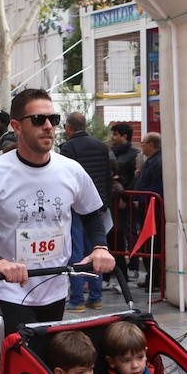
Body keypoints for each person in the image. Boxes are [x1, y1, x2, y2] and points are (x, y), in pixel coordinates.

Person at [0, 88, 116, 334]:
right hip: (10, 290)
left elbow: (92, 213)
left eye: (54, 119)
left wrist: (100, 247)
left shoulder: (71, 170)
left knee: (49, 363)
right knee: (24, 363)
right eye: (39, 120)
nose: (49, 126)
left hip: (56, 286)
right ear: (17, 127)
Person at [60, 112, 111, 312]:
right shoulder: (101, 146)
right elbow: (107, 177)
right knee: (97, 251)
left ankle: (77, 299)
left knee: (76, 251)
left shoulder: (68, 147)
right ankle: (96, 298)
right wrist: (105, 204)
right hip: (97, 206)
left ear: (69, 128)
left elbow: (64, 179)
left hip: (75, 207)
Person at [109, 123, 141, 280]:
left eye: (115, 134)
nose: (112, 138)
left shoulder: (134, 154)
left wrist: (126, 197)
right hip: (114, 201)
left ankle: (134, 265)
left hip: (127, 201)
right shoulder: (112, 153)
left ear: (124, 136)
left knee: (130, 233)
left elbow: (135, 178)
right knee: (117, 234)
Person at [134, 132, 164, 290]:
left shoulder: (158, 162)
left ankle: (156, 281)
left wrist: (142, 200)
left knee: (153, 246)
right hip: (146, 210)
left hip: (153, 212)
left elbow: (157, 188)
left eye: (143, 142)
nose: (141, 145)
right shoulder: (151, 161)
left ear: (151, 144)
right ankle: (151, 278)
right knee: (148, 246)